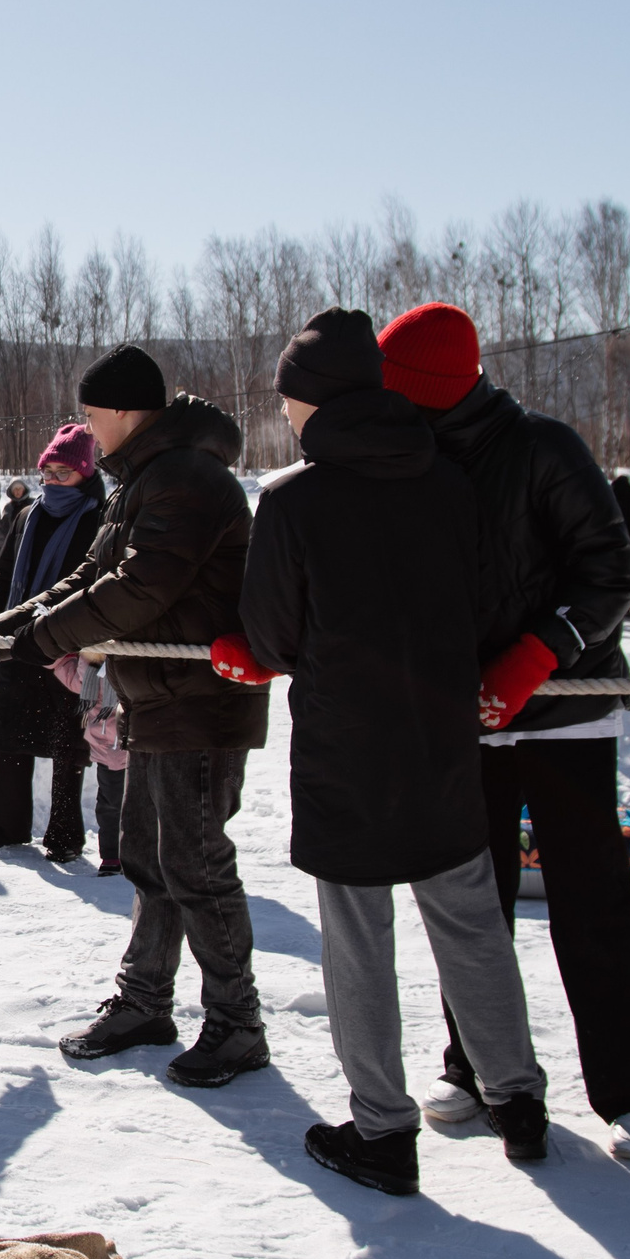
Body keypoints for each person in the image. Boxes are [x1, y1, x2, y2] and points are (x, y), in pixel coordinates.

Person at [228, 308, 548, 1196]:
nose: (284, 411)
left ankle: (382, 1130)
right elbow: (480, 601)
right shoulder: (447, 480)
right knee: (472, 926)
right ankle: (518, 1101)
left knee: (359, 942)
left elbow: (272, 638)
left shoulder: (293, 499)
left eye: (289, 397)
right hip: (441, 740)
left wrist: (251, 647)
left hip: (348, 754)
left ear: (316, 400)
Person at [377, 302, 630, 1163]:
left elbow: (611, 569)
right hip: (464, 716)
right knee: (471, 901)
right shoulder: (409, 458)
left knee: (592, 899)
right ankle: (476, 1064)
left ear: (431, 387)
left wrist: (538, 655)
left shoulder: (546, 447)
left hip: (566, 710)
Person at [0, 346, 272, 1090]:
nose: (87, 426)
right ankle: (145, 1001)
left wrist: (39, 641)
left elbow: (140, 587)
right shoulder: (144, 479)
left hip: (202, 702)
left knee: (196, 863)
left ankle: (238, 1023)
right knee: (151, 858)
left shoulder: (188, 477)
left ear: (126, 410)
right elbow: (89, 577)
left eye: (92, 413)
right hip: (158, 697)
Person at [0, 424, 106, 860]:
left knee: (68, 742)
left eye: (63, 473)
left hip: (69, 644)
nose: (52, 481)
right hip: (16, 640)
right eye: (47, 472)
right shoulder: (26, 515)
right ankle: (2, 827)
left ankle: (64, 834)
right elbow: (3, 578)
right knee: (9, 733)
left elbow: (92, 583)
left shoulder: (99, 517)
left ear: (85, 473)